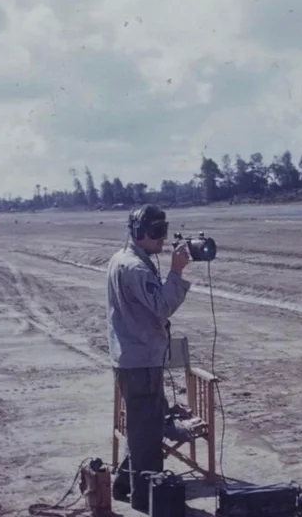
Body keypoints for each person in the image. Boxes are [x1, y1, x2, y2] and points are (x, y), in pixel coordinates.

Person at [107, 204, 192, 512]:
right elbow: (162, 307)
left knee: (142, 427)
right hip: (140, 360)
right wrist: (177, 271)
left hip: (133, 357)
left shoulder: (123, 259)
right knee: (148, 434)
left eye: (163, 232)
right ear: (139, 233)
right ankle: (146, 499)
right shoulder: (136, 268)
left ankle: (124, 484)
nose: (161, 238)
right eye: (155, 232)